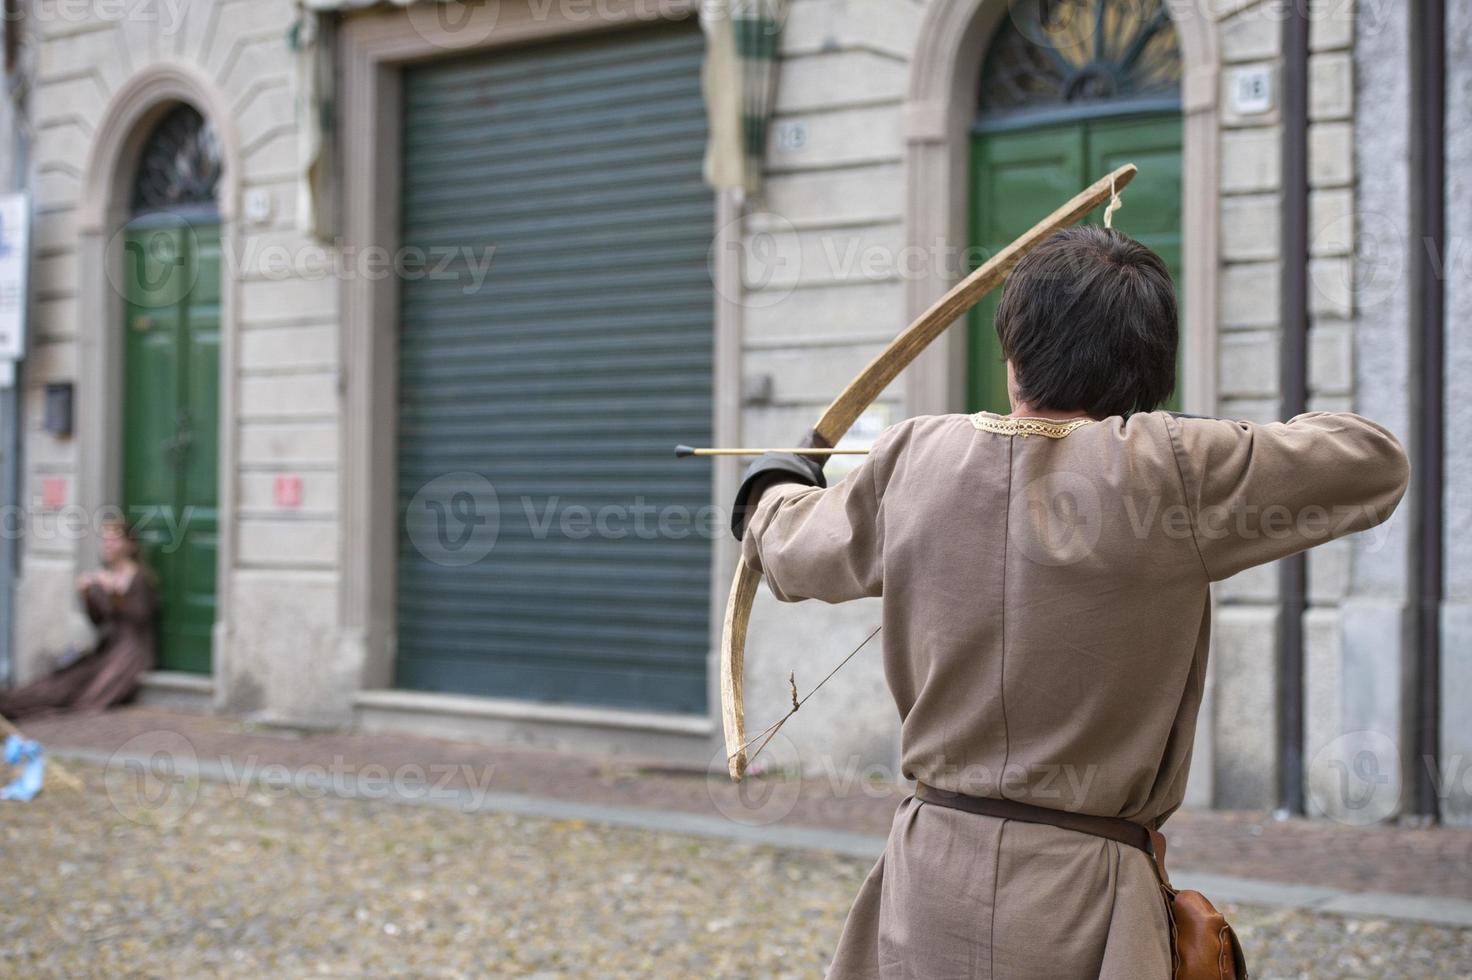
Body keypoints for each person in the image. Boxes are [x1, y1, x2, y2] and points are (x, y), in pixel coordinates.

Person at [731, 227, 1410, 980]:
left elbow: (789, 547)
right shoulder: (1170, 471)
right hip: (1085, 903)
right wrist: (1173, 445)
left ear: (1013, 352)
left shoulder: (915, 455)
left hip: (930, 880)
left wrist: (772, 483)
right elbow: (1373, 458)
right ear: (1153, 367)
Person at [0, 518, 158, 721]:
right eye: (105, 540)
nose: (108, 545)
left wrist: (114, 592)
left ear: (129, 544)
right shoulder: (105, 574)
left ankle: (28, 711)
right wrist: (87, 596)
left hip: (129, 651)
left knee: (89, 695)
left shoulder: (139, 578)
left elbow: (140, 617)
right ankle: (10, 702)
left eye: (114, 539)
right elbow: (99, 621)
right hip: (106, 646)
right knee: (62, 681)